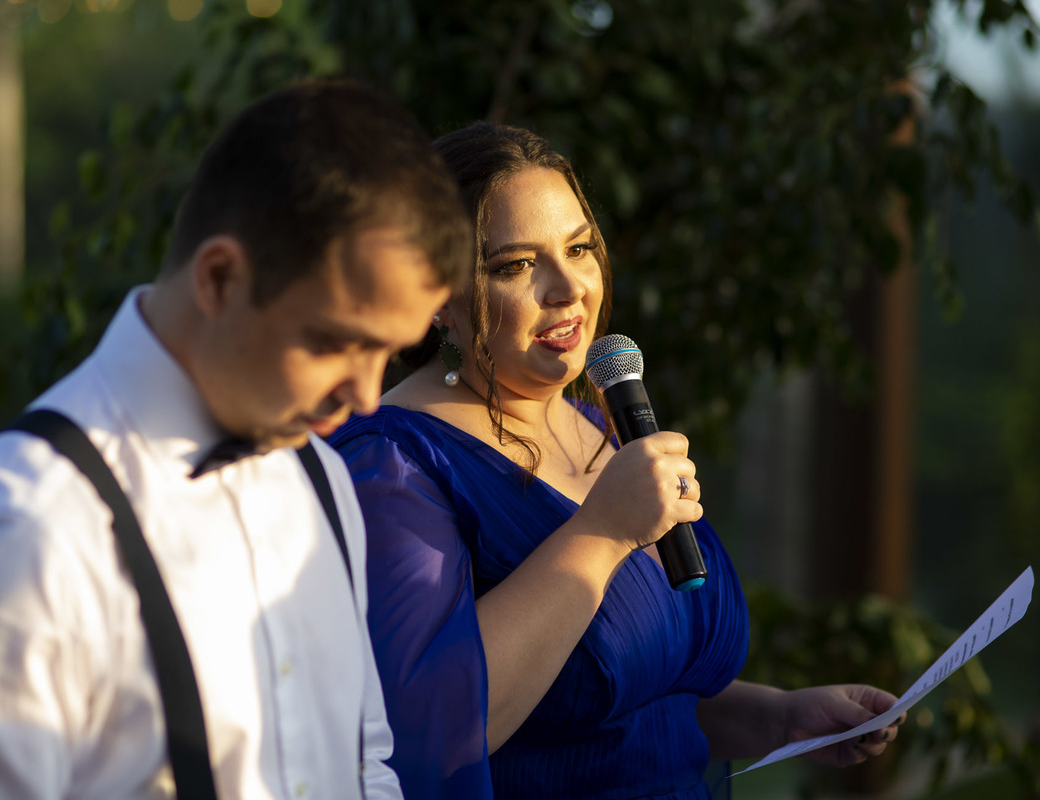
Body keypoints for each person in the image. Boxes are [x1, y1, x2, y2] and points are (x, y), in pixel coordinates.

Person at [0, 79, 472, 800]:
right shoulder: (23, 531)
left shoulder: (322, 476)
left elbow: (366, 763)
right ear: (219, 279)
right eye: (336, 343)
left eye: (388, 353)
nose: (368, 395)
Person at [328, 122, 904, 799]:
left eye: (578, 249)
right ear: (437, 295)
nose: (568, 288)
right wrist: (600, 535)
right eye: (515, 265)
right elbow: (429, 732)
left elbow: (626, 705)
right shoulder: (394, 463)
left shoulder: (596, 420)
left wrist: (780, 718)